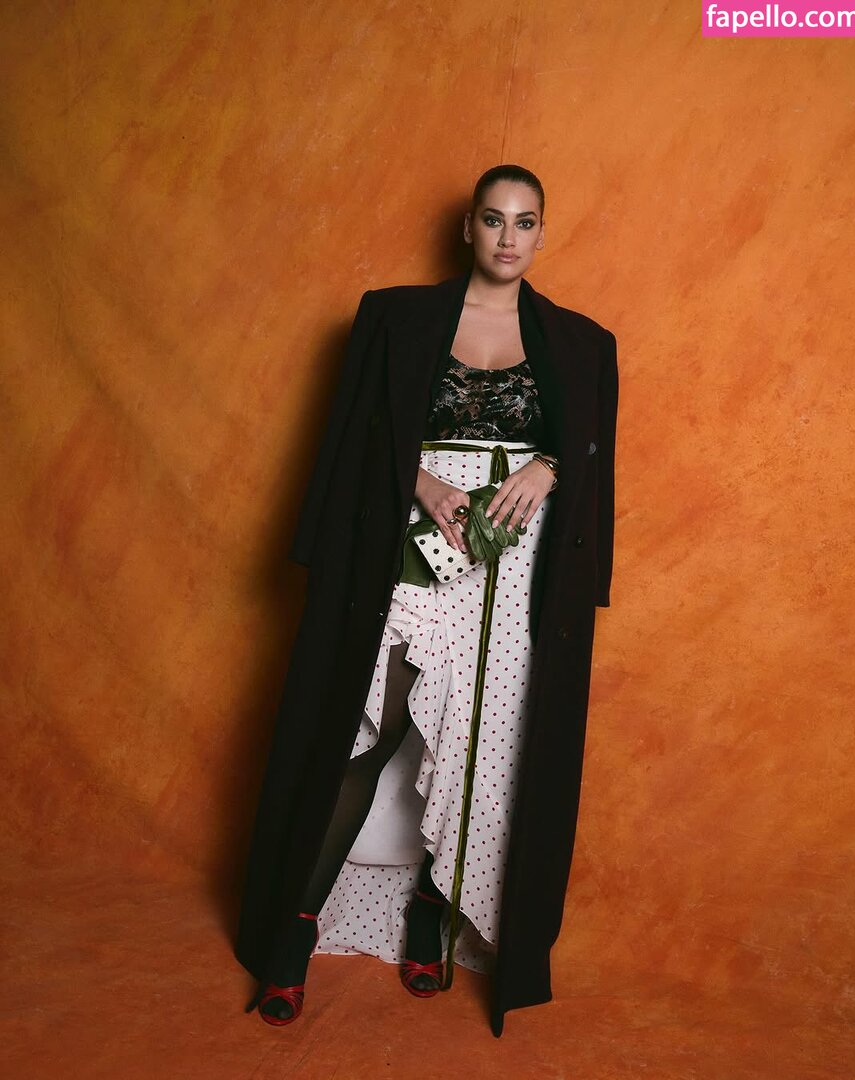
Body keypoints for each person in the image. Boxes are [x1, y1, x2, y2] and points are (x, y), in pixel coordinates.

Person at [234, 164, 618, 1037]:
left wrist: (548, 465)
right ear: (468, 228)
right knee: (371, 729)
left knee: (484, 744)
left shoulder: (581, 341)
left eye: (525, 222)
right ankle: (294, 931)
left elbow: (591, 450)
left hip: (513, 568)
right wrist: (419, 480)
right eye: (493, 219)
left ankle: (428, 916)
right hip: (411, 542)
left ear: (543, 232)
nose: (508, 237)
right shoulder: (395, 317)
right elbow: (354, 431)